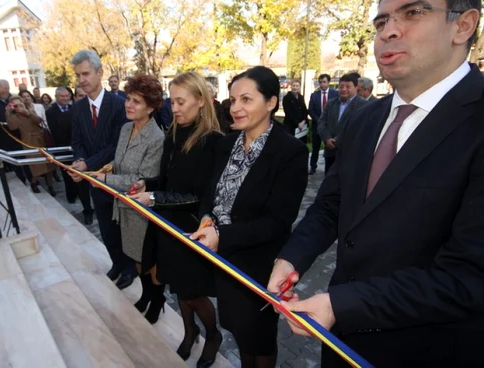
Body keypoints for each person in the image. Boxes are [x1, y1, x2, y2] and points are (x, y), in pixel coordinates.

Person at [269, 0, 484, 365]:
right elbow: (332, 204)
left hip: (438, 350)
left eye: (413, 13)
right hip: (343, 344)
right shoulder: (365, 119)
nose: (388, 31)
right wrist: (292, 257)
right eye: (382, 21)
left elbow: (476, 276)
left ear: (463, 26)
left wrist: (342, 304)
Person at [190, 66, 309, 368]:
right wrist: (205, 219)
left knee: (260, 337)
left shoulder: (290, 151)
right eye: (232, 100)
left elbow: (278, 220)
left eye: (246, 99)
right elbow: (210, 193)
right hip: (224, 260)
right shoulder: (226, 143)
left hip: (259, 265)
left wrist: (223, 235)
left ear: (271, 102)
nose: (236, 108)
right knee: (240, 332)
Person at [129, 71, 224, 365]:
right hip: (166, 226)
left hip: (192, 229)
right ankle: (188, 331)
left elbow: (198, 195)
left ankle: (213, 334)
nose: (175, 108)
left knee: (193, 291)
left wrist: (154, 198)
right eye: (172, 102)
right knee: (178, 287)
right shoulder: (172, 132)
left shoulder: (213, 141)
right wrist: (149, 184)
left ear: (200, 101)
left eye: (181, 101)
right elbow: (168, 180)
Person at [90, 74, 165, 293]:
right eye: (128, 98)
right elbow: (119, 159)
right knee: (132, 255)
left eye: (136, 101)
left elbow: (142, 179)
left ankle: (154, 299)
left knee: (145, 259)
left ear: (150, 108)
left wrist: (105, 179)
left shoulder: (156, 138)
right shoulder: (126, 128)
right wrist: (108, 167)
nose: (129, 105)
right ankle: (144, 293)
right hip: (120, 206)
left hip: (139, 210)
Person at [67, 50, 129, 287]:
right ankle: (116, 264)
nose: (81, 80)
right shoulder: (79, 108)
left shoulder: (120, 105)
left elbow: (117, 145)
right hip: (93, 181)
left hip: (116, 178)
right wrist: (78, 161)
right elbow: (77, 141)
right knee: (104, 225)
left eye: (86, 73)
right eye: (78, 75)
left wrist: (88, 164)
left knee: (122, 226)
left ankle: (129, 269)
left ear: (100, 72)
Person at [46, 87, 94, 224]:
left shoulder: (96, 111)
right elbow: (60, 134)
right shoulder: (69, 114)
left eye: (86, 95)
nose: (84, 98)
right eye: (80, 95)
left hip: (95, 155)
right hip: (75, 154)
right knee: (81, 185)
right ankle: (87, 210)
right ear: (76, 97)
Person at [317, 72, 368, 174]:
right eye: (341, 87)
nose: (343, 89)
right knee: (329, 184)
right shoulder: (331, 103)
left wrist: (336, 141)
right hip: (330, 152)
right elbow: (321, 122)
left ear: (356, 87)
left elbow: (359, 128)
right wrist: (326, 138)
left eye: (348, 87)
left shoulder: (364, 105)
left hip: (350, 154)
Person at [5, 95, 57, 195]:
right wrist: (8, 113)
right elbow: (13, 127)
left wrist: (27, 112)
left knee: (49, 164)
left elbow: (38, 120)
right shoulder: (13, 115)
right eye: (15, 105)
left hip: (41, 139)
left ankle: (50, 185)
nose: (18, 107)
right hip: (29, 142)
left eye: (19, 104)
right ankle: (33, 183)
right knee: (36, 167)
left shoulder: (29, 110)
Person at [0, 79, 31, 184]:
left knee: (24, 157)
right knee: (11, 159)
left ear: (6, 88)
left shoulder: (16, 100)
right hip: (2, 135)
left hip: (18, 134)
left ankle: (32, 180)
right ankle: (21, 179)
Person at [307, 74, 338, 175]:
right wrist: (319, 120)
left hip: (330, 127)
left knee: (330, 147)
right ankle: (312, 166)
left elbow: (337, 109)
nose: (322, 84)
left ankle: (330, 168)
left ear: (328, 82)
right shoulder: (314, 95)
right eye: (320, 82)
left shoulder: (335, 94)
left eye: (324, 82)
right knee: (315, 147)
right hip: (317, 125)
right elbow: (310, 110)